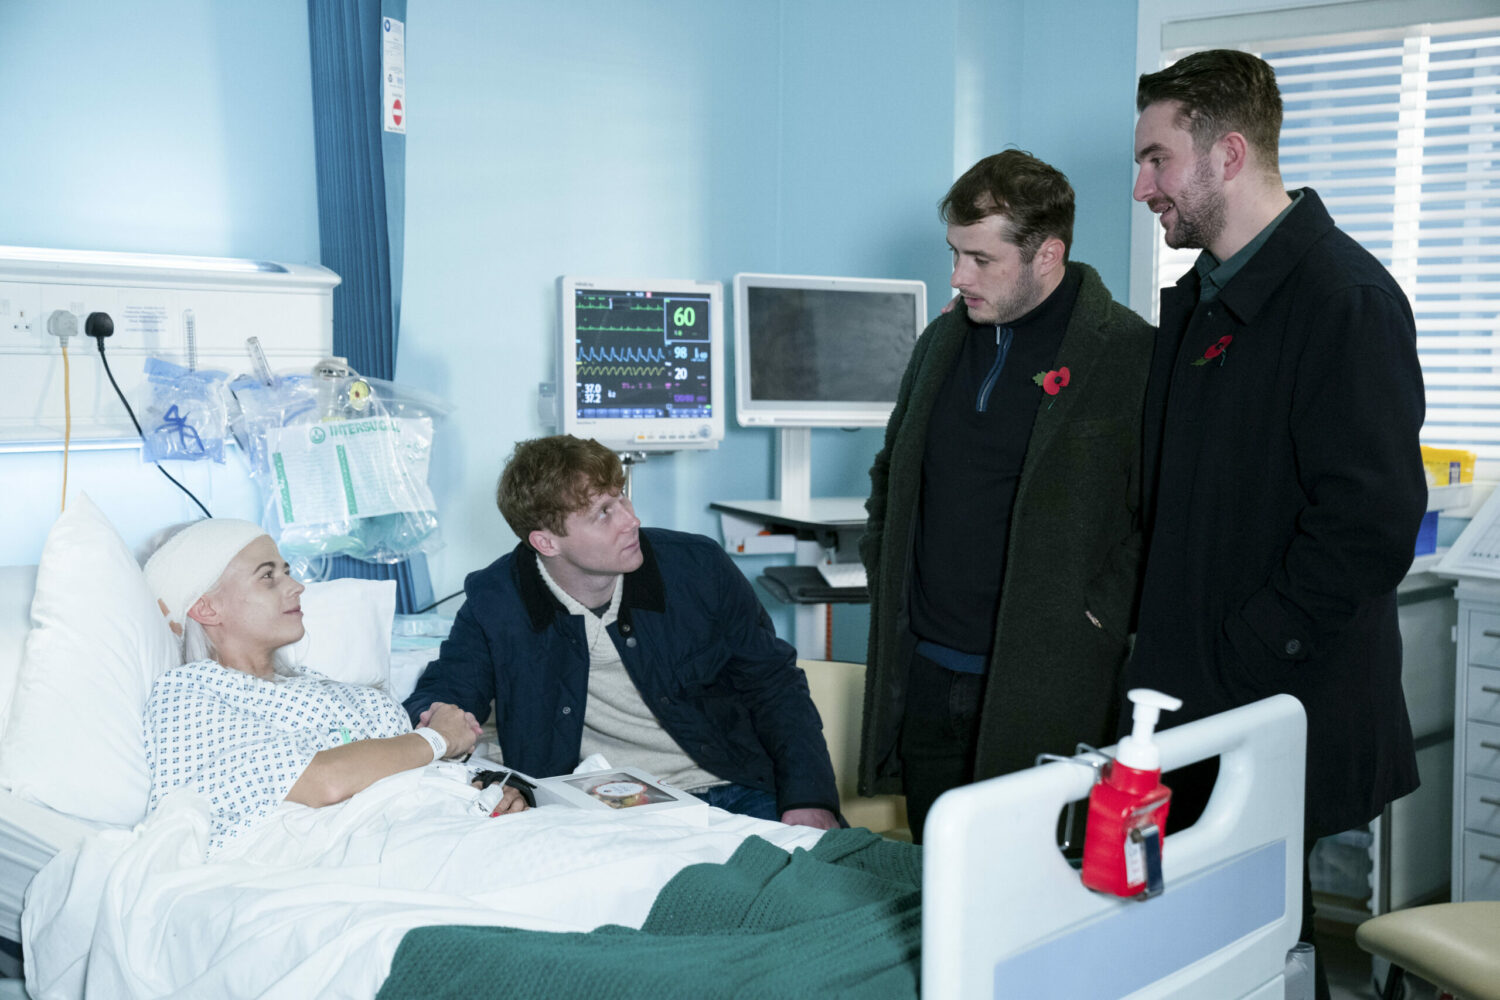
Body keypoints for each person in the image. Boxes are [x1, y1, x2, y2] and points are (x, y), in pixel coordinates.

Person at [1126, 49, 1426, 997]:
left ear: (1229, 154)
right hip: (1194, 694)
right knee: (1202, 951)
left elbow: (1369, 526)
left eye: (1158, 159)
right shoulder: (1204, 300)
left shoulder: (1345, 299)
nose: (1141, 187)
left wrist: (1243, 657)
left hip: (1268, 694)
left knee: (1265, 952)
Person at [858, 150, 1155, 843]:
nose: (959, 277)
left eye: (982, 260)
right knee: (938, 885)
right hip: (931, 673)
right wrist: (887, 570)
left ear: (1047, 254)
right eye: (955, 254)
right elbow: (891, 472)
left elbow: (1162, 516)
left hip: (1044, 682)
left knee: (1037, 893)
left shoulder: (1129, 355)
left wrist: (1098, 615)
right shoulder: (942, 342)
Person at [404, 435, 841, 830]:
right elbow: (448, 692)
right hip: (603, 807)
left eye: (622, 498)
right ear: (547, 543)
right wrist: (443, 724)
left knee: (830, 883)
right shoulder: (496, 599)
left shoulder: (697, 567)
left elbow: (774, 685)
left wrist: (810, 798)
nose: (630, 520)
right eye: (603, 513)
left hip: (735, 785)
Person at [142, 519, 526, 854]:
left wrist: (479, 788)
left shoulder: (326, 689)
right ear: (207, 607)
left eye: (287, 571)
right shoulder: (191, 694)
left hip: (438, 829)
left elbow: (404, 773)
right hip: (359, 851)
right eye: (268, 576)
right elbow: (322, 782)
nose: (296, 587)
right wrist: (437, 740)